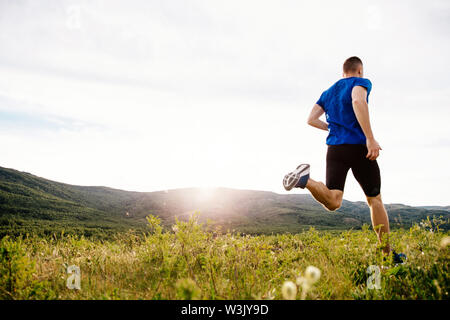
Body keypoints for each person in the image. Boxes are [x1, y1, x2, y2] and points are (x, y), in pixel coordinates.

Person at [283, 56, 405, 263]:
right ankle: (387, 256)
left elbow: (311, 119)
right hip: (359, 147)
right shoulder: (360, 82)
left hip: (335, 149)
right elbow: (358, 100)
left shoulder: (328, 92)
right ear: (359, 71)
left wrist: (331, 127)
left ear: (343, 71)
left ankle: (305, 180)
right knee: (374, 199)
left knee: (333, 201)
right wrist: (370, 138)